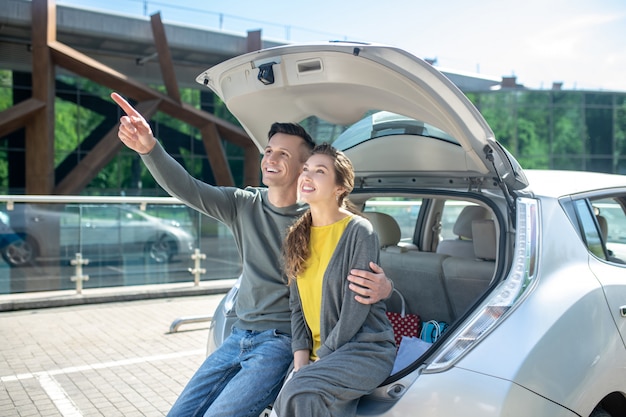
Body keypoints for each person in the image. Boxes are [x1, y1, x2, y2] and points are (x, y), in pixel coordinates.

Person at [110, 92, 394, 417]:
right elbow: (187, 187)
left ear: (305, 168)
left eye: (283, 153)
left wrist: (386, 288)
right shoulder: (243, 204)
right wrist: (150, 149)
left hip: (279, 342)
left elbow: (347, 280)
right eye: (268, 150)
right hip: (238, 335)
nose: (270, 159)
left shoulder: (319, 218)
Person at [272, 143, 396, 417]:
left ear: (340, 188)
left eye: (320, 171)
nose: (307, 175)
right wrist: (301, 360)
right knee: (292, 393)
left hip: (364, 349)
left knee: (299, 393)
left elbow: (356, 309)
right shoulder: (296, 235)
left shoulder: (359, 232)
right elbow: (297, 307)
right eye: (306, 169)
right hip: (320, 354)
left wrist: (320, 359)